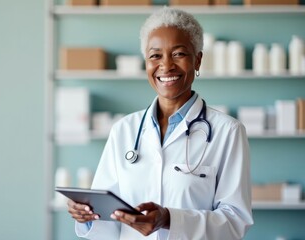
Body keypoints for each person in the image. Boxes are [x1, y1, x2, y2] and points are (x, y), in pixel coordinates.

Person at [67, 6, 253, 240]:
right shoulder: (124, 130)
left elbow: (235, 222)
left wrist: (170, 219)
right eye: (155, 55)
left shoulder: (228, 132)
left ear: (197, 60)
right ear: (146, 62)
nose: (166, 66)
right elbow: (109, 219)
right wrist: (87, 216)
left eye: (178, 54)